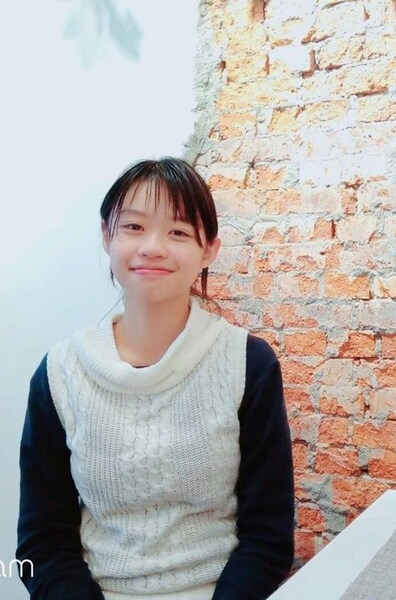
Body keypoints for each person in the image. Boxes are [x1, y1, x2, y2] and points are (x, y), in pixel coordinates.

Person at [16, 157, 295, 600]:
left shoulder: (248, 364)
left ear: (209, 250)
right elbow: (41, 544)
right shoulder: (60, 373)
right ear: (107, 236)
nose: (152, 247)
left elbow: (269, 536)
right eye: (133, 227)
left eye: (178, 232)